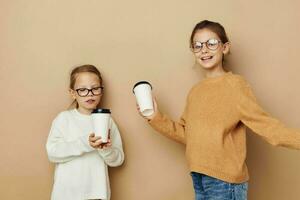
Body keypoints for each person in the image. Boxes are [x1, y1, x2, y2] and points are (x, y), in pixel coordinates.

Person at [136, 20, 300, 200]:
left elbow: (267, 125)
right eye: (197, 46)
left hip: (224, 181)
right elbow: (188, 134)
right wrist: (155, 117)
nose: (204, 50)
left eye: (211, 43)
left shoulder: (235, 85)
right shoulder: (195, 92)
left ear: (225, 47)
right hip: (199, 176)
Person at [46, 64, 124, 200]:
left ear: (101, 90)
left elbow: (118, 160)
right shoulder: (64, 119)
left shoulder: (108, 121)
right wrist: (86, 143)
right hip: (65, 195)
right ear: (73, 93)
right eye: (83, 89)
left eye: (95, 88)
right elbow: (52, 153)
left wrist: (105, 149)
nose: (90, 94)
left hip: (96, 194)